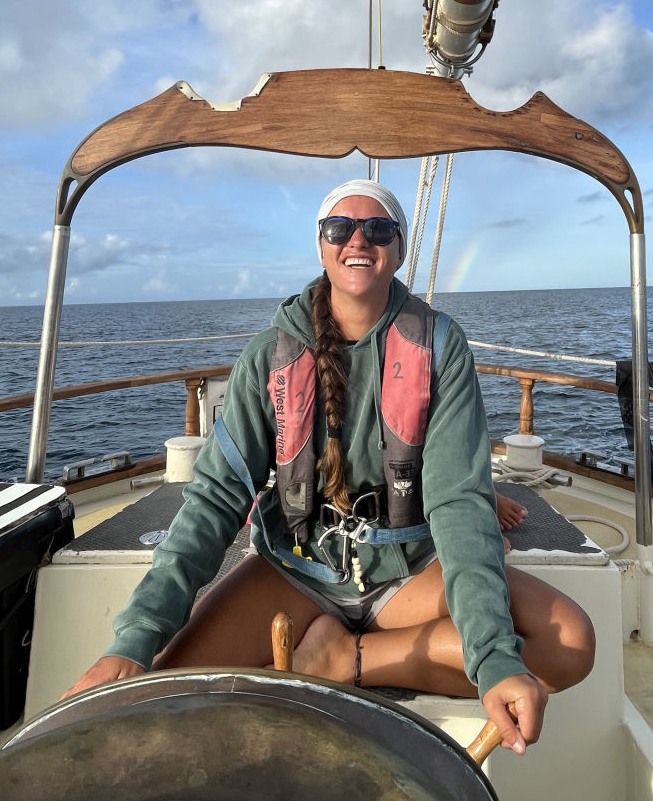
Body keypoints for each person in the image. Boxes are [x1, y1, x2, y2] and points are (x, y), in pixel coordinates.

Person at [66, 181, 594, 751]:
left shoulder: (440, 348)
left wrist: (492, 659)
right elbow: (214, 501)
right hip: (298, 570)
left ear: (400, 248)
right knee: (163, 691)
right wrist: (134, 639)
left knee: (568, 644)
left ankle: (349, 658)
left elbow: (459, 503)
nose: (358, 241)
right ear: (321, 247)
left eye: (378, 229)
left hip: (407, 569)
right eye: (340, 229)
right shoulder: (269, 358)